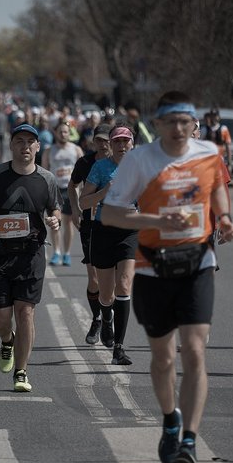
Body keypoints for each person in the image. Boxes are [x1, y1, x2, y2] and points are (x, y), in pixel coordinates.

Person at [102, 91, 233, 463]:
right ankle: (170, 419)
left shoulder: (208, 152)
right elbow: (111, 214)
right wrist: (157, 222)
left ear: (193, 123)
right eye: (170, 122)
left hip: (198, 262)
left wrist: (224, 218)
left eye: (185, 121)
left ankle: (190, 440)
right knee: (163, 358)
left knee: (194, 351)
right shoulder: (139, 160)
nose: (178, 129)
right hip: (151, 267)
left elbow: (217, 188)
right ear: (157, 124)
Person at [0, 123, 61, 392]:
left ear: (37, 146)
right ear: (11, 146)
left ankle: (21, 371)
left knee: (25, 312)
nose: (25, 146)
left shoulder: (46, 178)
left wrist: (55, 220)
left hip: (31, 254)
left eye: (30, 142)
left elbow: (55, 208)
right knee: (0, 318)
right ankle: (7, 341)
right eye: (19, 141)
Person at [79, 126, 138, 364]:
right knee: (106, 293)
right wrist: (105, 192)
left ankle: (119, 349)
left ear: (132, 144)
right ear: (110, 145)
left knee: (124, 284)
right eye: (117, 142)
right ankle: (106, 317)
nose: (122, 146)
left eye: (126, 141)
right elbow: (84, 202)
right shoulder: (100, 167)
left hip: (130, 231)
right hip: (103, 230)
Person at [68, 124, 112, 344]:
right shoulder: (85, 163)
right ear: (93, 142)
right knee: (94, 278)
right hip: (91, 225)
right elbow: (72, 185)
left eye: (107, 140)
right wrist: (76, 209)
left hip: (116, 225)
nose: (103, 145)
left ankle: (108, 317)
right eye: (99, 140)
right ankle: (98, 318)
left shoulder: (121, 162)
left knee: (112, 281)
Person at [42, 121, 84, 266]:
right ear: (56, 133)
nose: (63, 134)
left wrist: (82, 191)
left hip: (71, 189)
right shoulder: (49, 151)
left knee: (68, 223)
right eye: (60, 131)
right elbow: (44, 171)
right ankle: (56, 253)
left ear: (69, 133)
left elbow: (83, 172)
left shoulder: (76, 150)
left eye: (66, 131)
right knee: (55, 222)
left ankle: (66, 253)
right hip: (55, 189)